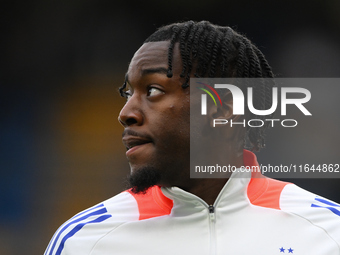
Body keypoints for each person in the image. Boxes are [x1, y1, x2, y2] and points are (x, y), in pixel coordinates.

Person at [44, 21, 340, 255]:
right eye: (128, 93)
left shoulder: (329, 233)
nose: (126, 113)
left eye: (153, 91)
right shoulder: (84, 241)